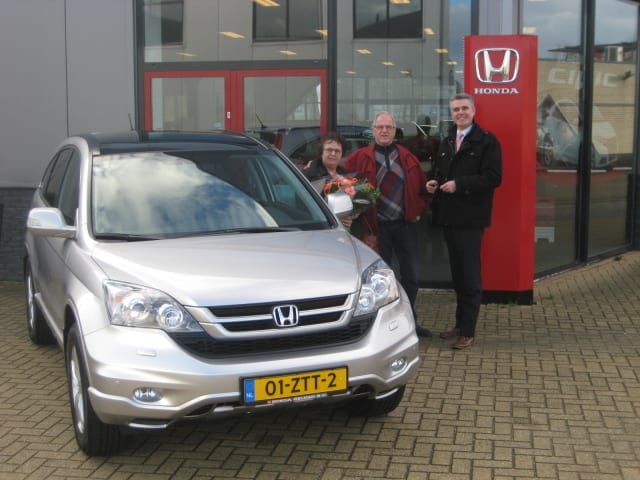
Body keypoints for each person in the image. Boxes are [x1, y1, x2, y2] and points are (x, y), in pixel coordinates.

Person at [343, 111, 433, 338]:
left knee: (411, 277)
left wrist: (416, 211)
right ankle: (382, 328)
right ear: (373, 130)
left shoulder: (408, 157)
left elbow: (423, 191)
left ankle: (410, 321)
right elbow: (340, 183)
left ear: (395, 131)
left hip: (405, 227)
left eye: (389, 127)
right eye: (380, 127)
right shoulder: (359, 158)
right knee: (380, 282)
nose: (384, 131)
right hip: (376, 229)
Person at [426, 92, 502, 350]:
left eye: (464, 108)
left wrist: (459, 184)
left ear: (473, 111)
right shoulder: (448, 139)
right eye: (456, 109)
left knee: (469, 277)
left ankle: (468, 331)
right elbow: (441, 172)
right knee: (458, 276)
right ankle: (459, 325)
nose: (460, 113)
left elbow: (494, 177)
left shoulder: (487, 141)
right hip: (449, 217)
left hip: (470, 219)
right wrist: (434, 181)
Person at [303, 132, 353, 229]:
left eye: (337, 151)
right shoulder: (309, 174)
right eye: (329, 150)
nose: (333, 154)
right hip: (317, 228)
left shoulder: (346, 175)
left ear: (342, 154)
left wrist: (349, 218)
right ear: (321, 152)